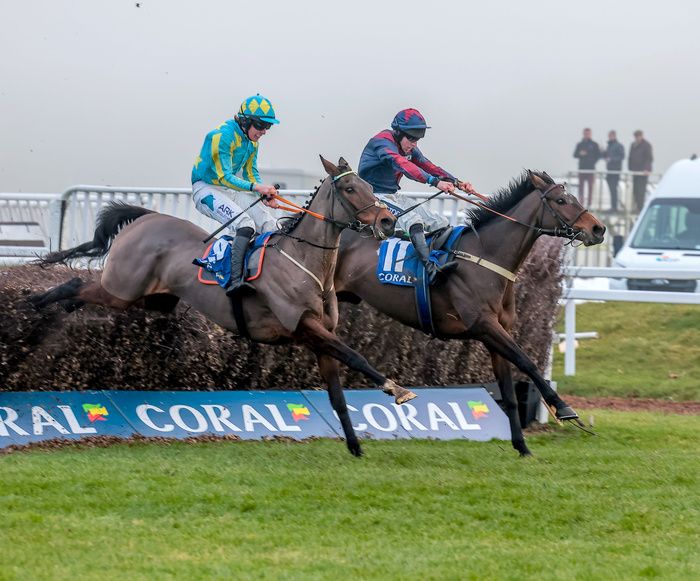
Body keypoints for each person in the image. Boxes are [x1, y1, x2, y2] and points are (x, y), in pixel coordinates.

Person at [358, 108, 476, 282]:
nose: (414, 144)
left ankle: (442, 260)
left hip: (391, 195)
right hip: (372, 198)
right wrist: (436, 182)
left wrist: (457, 182)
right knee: (413, 221)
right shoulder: (382, 142)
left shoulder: (408, 148)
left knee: (440, 223)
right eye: (411, 139)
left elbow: (429, 166)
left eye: (417, 140)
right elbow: (403, 165)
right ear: (398, 133)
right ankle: (429, 270)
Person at [191, 94, 280, 296]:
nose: (264, 131)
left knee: (270, 225)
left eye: (268, 127)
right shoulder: (221, 136)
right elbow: (224, 177)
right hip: (206, 189)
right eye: (261, 125)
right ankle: (234, 282)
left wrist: (265, 194)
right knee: (245, 224)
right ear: (246, 121)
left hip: (229, 190)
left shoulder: (252, 142)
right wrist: (258, 189)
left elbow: (250, 173)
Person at [572, 128, 600, 207]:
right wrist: (580, 154)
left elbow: (598, 155)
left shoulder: (594, 144)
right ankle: (581, 203)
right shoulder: (580, 144)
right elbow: (575, 154)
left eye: (588, 133)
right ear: (583, 134)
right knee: (581, 187)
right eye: (585, 133)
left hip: (591, 169)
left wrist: (592, 161)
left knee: (590, 187)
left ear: (590, 134)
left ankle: (589, 204)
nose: (587, 135)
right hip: (582, 169)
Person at [628, 130, 654, 212]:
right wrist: (630, 167)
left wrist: (647, 169)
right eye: (636, 136)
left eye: (638, 136)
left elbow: (649, 158)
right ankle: (636, 207)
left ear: (642, 136)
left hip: (643, 173)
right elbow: (630, 156)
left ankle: (640, 208)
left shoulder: (646, 145)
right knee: (635, 190)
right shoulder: (633, 145)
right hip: (635, 171)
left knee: (641, 191)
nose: (637, 137)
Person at [601, 130, 625, 211]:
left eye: (611, 136)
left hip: (615, 170)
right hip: (609, 170)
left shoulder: (619, 145)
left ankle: (614, 207)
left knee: (614, 189)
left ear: (614, 136)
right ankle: (613, 206)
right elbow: (604, 156)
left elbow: (622, 156)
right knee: (611, 189)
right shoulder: (609, 146)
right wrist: (602, 151)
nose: (610, 137)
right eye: (609, 136)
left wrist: (612, 159)